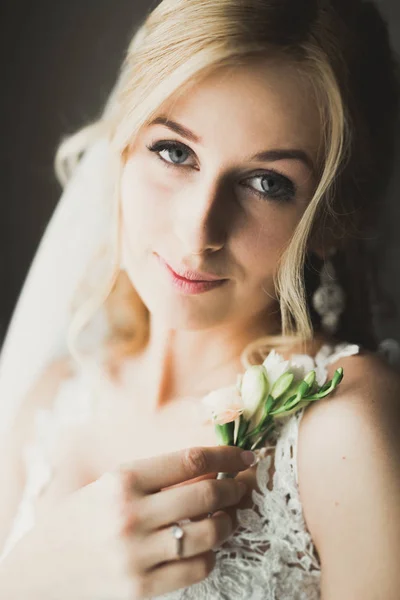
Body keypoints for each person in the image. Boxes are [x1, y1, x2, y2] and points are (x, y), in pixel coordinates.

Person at [0, 0, 400, 598]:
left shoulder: (339, 427)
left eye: (268, 183)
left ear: (329, 222)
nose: (199, 232)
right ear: (124, 143)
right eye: (175, 151)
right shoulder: (49, 405)